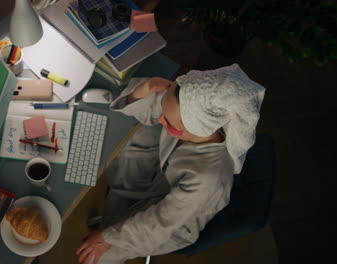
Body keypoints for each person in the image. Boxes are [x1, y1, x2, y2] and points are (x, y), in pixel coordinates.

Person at [76, 64, 265, 264]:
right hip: (161, 181)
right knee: (126, 139)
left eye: (169, 122)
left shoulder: (209, 177)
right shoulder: (194, 116)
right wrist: (144, 88)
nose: (160, 119)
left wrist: (107, 237)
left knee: (96, 258)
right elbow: (159, 105)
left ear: (195, 127)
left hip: (169, 226)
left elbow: (161, 222)